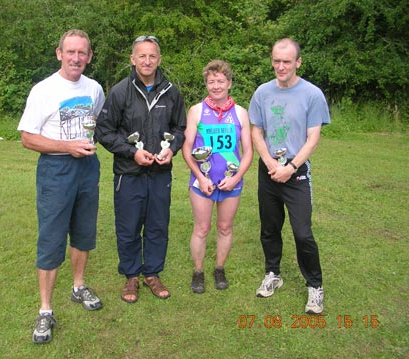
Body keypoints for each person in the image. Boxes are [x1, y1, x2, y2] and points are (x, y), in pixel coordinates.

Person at [17, 29, 105, 344]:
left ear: (89, 56)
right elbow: (27, 137)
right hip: (55, 169)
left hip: (87, 168)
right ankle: (45, 310)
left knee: (83, 232)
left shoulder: (95, 88)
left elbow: (95, 124)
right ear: (59, 53)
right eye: (70, 52)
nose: (76, 58)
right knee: (52, 237)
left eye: (82, 52)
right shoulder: (43, 90)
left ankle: (78, 286)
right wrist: (66, 147)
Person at [95, 35, 186, 303]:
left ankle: (152, 274)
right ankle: (131, 277)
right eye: (142, 56)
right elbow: (104, 130)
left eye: (152, 56)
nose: (147, 61)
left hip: (159, 173)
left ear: (159, 59)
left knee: (158, 225)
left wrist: (172, 149)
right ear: (132, 60)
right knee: (128, 226)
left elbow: (180, 128)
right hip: (128, 173)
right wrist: (132, 152)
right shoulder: (120, 91)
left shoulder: (170, 91)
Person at [249, 38, 330, 314]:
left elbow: (313, 138)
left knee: (302, 233)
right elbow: (256, 131)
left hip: (296, 173)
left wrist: (291, 167)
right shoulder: (262, 92)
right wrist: (270, 162)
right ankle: (273, 274)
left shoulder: (312, 94)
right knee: (269, 228)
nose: (280, 66)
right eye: (276, 60)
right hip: (269, 170)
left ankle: (315, 286)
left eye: (286, 61)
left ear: (298, 62)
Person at [182, 60, 253, 294]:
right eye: (211, 81)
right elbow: (187, 148)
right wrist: (200, 178)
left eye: (220, 81)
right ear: (206, 84)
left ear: (229, 83)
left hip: (231, 182)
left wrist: (236, 178)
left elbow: (248, 152)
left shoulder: (241, 113)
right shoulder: (196, 111)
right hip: (202, 182)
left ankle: (219, 268)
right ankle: (199, 271)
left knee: (224, 227)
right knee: (201, 228)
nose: (216, 86)